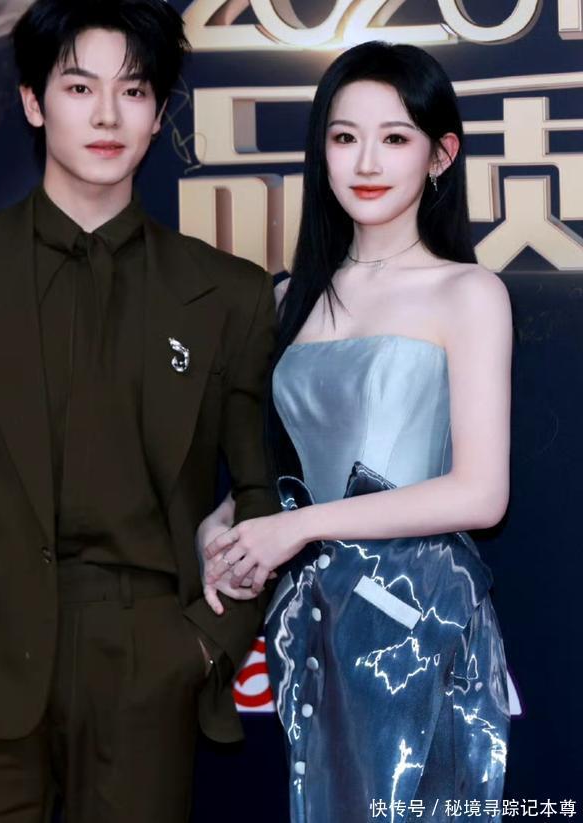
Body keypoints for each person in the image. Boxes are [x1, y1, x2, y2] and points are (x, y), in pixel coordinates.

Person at [0, 2, 277, 821]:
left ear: (158, 114)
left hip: (147, 657)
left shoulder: (226, 293)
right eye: (78, 86)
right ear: (32, 101)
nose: (105, 115)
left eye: (132, 91)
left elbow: (262, 492)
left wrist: (204, 643)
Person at [202, 42, 512, 822]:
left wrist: (298, 527)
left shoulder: (468, 292)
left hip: (419, 615)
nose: (366, 161)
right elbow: (280, 471)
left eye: (395, 137)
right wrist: (229, 527)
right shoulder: (288, 299)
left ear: (441, 154)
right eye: (344, 137)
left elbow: (481, 494)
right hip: (315, 616)